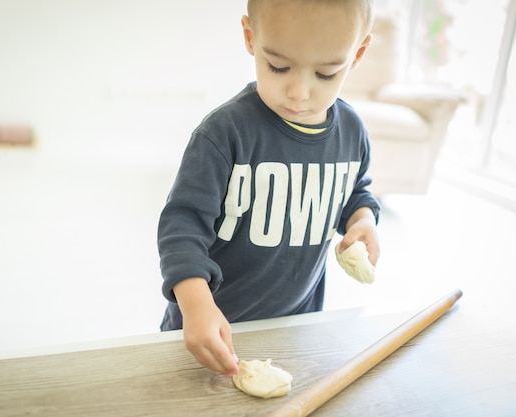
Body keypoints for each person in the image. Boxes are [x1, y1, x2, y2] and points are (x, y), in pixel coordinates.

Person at [157, 0, 380, 377]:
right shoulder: (224, 134)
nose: (298, 92)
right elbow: (182, 226)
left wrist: (363, 220)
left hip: (295, 331)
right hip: (210, 333)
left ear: (356, 55)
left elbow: (355, 191)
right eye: (278, 66)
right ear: (250, 38)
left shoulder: (352, 132)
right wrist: (195, 305)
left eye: (326, 74)